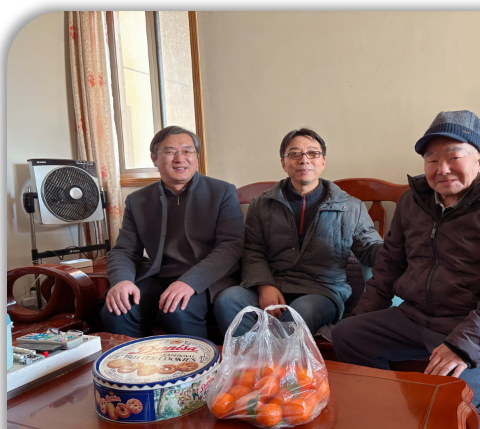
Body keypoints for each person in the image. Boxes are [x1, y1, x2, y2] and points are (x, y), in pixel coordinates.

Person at [331, 111, 480, 429]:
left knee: (455, 409)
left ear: (479, 160)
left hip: (478, 327)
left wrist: (463, 346)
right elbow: (388, 266)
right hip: (416, 317)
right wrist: (362, 317)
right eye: (432, 159)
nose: (442, 168)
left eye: (453, 156)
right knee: (348, 334)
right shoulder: (413, 202)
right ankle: (394, 416)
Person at [214, 128, 384, 336]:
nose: (304, 160)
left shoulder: (351, 207)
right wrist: (264, 285)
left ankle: (270, 356)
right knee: (229, 299)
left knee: (301, 312)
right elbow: (252, 250)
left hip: (322, 292)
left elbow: (369, 248)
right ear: (283, 163)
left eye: (313, 153)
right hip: (273, 285)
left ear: (323, 161)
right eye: (295, 154)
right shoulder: (263, 204)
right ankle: (253, 356)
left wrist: (397, 247)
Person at [102, 126, 244, 339]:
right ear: (154, 158)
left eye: (187, 151)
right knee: (117, 310)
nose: (180, 159)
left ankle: (201, 361)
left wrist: (190, 282)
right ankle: (143, 359)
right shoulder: (138, 200)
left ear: (197, 158)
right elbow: (124, 250)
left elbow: (230, 246)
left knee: (177, 311)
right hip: (161, 277)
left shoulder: (222, 192)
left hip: (209, 280)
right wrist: (121, 281)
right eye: (170, 152)